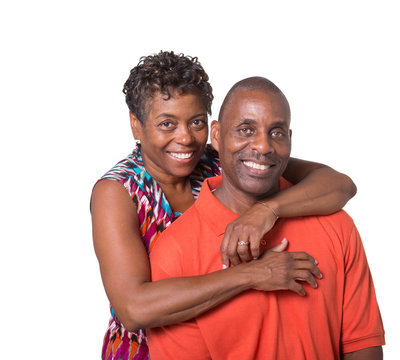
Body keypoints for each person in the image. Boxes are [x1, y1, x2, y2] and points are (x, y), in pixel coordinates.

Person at [91, 51, 357, 360]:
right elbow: (134, 309)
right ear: (136, 125)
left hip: (220, 340)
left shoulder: (222, 160)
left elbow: (339, 184)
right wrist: (253, 275)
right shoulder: (118, 191)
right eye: (167, 124)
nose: (186, 138)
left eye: (195, 122)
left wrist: (266, 210)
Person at [148, 77, 385, 359]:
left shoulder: (336, 225)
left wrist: (267, 210)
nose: (263, 146)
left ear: (290, 139)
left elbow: (363, 347)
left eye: (276, 133)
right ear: (217, 134)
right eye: (246, 129)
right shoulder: (174, 253)